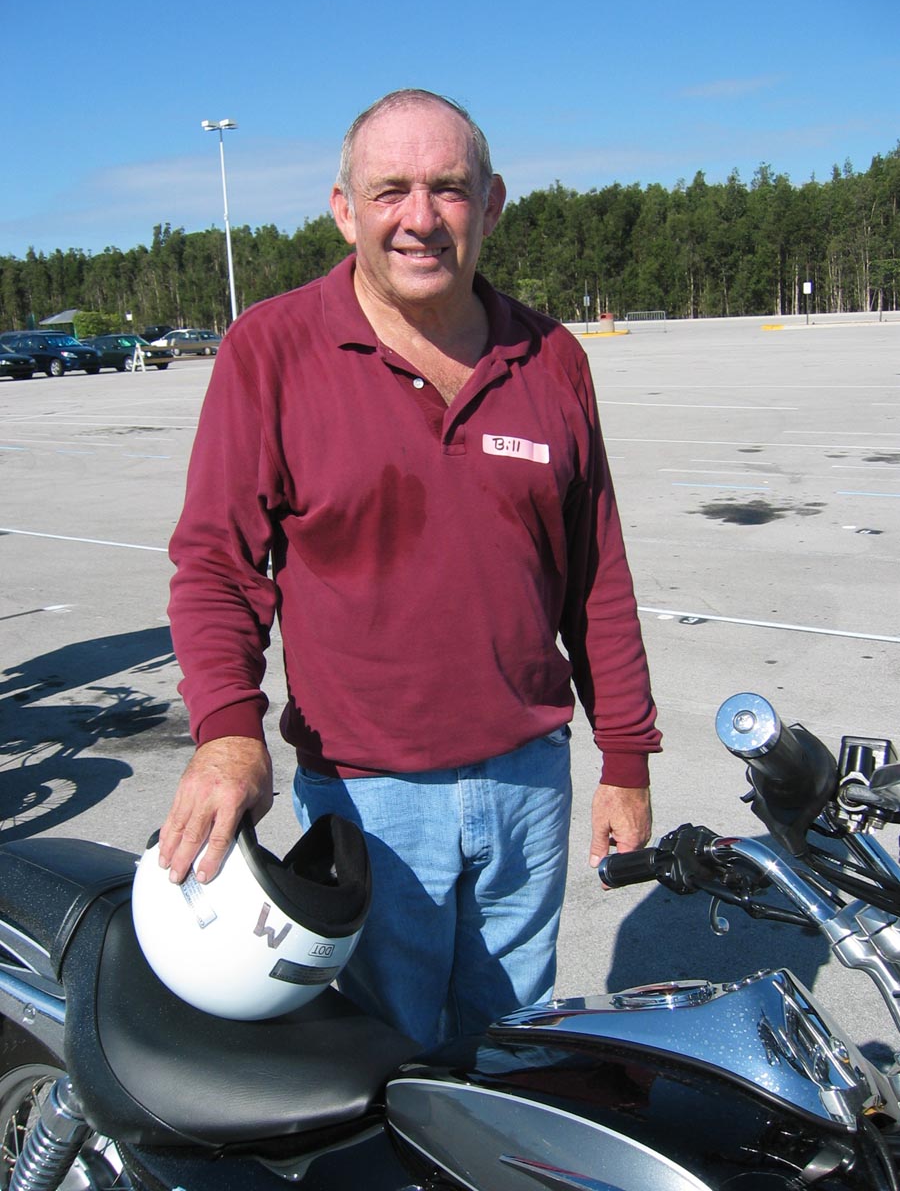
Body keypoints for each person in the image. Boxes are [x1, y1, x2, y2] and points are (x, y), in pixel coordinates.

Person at [159, 88, 661, 1048]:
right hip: (369, 795)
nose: (420, 218)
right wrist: (227, 732)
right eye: (390, 190)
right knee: (380, 1060)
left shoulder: (552, 357)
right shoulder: (272, 349)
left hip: (529, 780)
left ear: (493, 203)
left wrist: (625, 757)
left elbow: (597, 573)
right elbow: (219, 565)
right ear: (344, 209)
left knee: (511, 1047)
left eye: (449, 189)